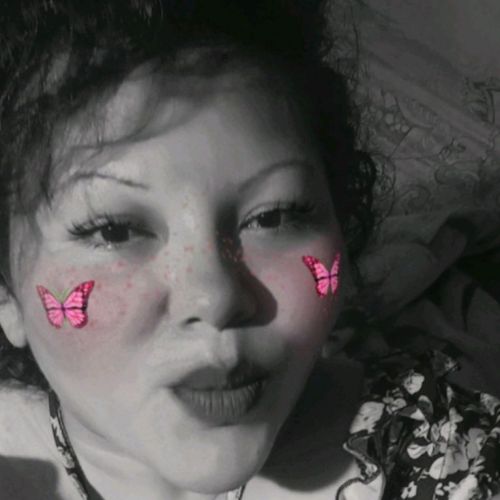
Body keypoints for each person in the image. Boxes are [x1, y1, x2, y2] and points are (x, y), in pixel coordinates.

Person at [0, 1, 499, 499]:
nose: (215, 297)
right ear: (6, 294)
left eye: (274, 217)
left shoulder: (445, 462)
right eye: (114, 232)